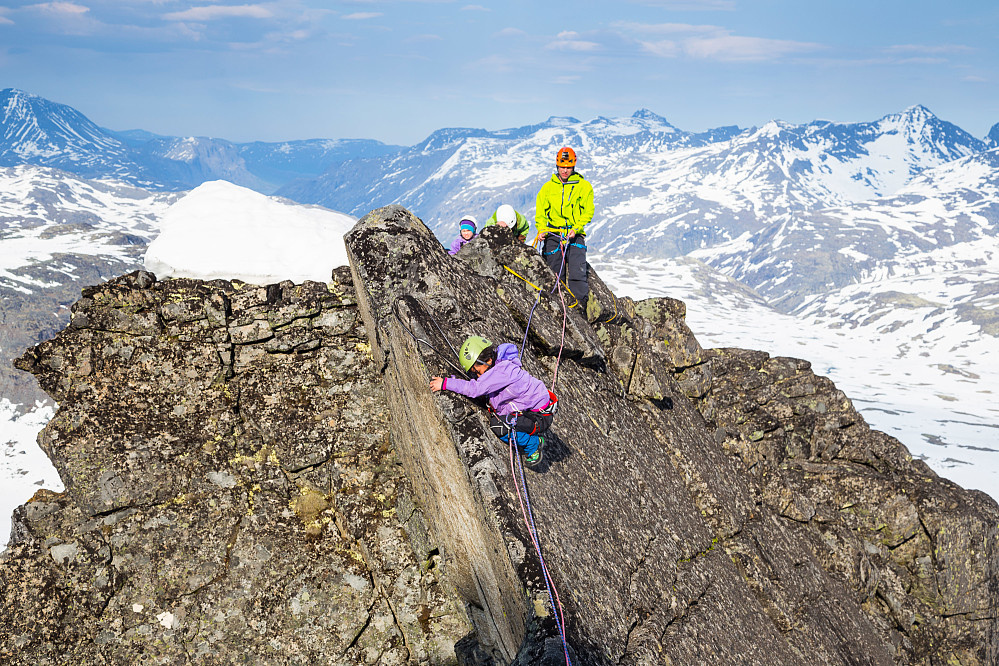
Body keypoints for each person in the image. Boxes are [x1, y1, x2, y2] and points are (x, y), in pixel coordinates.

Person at [429, 335, 554, 466]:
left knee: (499, 425)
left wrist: (446, 383)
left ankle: (533, 444)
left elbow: (475, 389)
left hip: (538, 417)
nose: (477, 376)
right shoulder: (499, 365)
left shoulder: (502, 372)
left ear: (488, 360)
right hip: (535, 409)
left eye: (477, 371)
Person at [535, 146, 594, 304]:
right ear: (557, 166)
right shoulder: (547, 188)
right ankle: (556, 305)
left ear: (573, 166)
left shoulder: (583, 186)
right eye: (562, 167)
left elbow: (588, 212)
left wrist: (576, 228)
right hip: (553, 234)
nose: (565, 170)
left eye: (568, 167)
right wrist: (541, 229)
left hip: (575, 235)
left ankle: (579, 307)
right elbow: (541, 212)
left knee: (577, 273)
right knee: (554, 273)